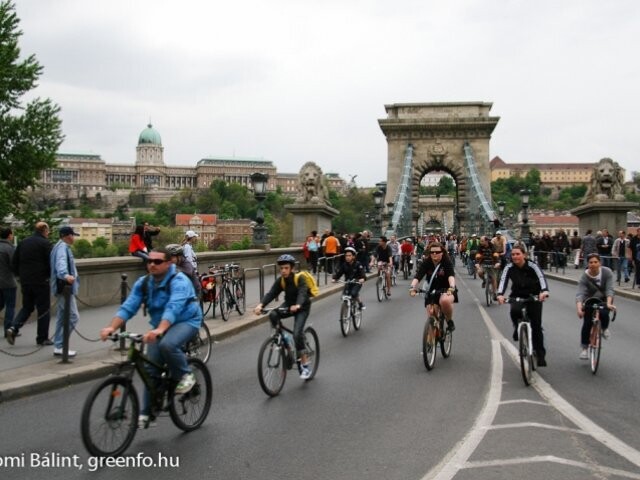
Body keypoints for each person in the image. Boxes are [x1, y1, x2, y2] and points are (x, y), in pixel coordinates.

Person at [100, 248, 201, 428]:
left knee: (168, 345)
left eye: (157, 262)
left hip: (186, 320)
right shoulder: (144, 282)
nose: (152, 264)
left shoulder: (179, 280)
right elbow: (129, 306)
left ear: (169, 263)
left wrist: (160, 330)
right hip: (160, 325)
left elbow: (174, 307)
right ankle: (147, 413)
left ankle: (187, 377)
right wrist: (111, 327)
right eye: (149, 261)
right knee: (150, 371)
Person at [254, 254, 313, 380]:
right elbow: (271, 293)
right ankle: (282, 337)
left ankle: (305, 366)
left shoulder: (300, 278)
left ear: (292, 268)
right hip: (289, 305)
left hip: (302, 307)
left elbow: (302, 293)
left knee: (297, 334)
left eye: (286, 268)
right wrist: (260, 305)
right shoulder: (281, 280)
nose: (283, 271)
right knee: (274, 314)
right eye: (281, 268)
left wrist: (298, 304)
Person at [497, 246, 550, 366]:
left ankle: (540, 355)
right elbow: (503, 280)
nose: (515, 256)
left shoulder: (532, 266)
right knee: (514, 311)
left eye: (518, 254)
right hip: (518, 295)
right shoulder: (509, 267)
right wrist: (500, 294)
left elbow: (541, 278)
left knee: (536, 326)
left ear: (524, 255)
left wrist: (544, 291)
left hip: (534, 295)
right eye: (513, 254)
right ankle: (517, 327)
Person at [6, 222, 53, 346]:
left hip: (26, 281)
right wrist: (49, 276)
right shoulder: (45, 244)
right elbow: (51, 263)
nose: (48, 233)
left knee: (27, 307)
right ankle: (42, 338)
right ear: (44, 230)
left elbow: (14, 262)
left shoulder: (23, 242)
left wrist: (20, 276)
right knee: (43, 309)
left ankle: (13, 328)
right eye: (48, 231)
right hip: (41, 281)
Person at [575, 253, 615, 360]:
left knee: (604, 312)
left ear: (600, 263)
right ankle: (584, 349)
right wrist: (579, 308)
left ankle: (604, 328)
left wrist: (609, 303)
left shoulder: (607, 272)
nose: (593, 264)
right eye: (591, 262)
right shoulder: (585, 276)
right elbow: (580, 293)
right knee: (587, 322)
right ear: (588, 264)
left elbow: (609, 289)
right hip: (590, 299)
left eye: (595, 262)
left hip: (604, 298)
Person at [410, 241, 457, 331]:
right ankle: (431, 340)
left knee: (444, 301)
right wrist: (412, 287)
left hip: (446, 288)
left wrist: (452, 287)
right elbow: (418, 276)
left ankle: (449, 321)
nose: (434, 254)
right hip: (431, 288)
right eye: (432, 252)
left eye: (437, 252)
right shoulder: (427, 262)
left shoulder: (446, 261)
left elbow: (451, 276)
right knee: (431, 313)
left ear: (442, 253)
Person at [51, 226, 81, 357]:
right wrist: (66, 275)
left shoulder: (58, 246)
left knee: (61, 318)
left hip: (60, 287)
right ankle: (61, 345)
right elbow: (61, 263)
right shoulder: (62, 247)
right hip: (64, 288)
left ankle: (58, 346)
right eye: (72, 235)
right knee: (73, 317)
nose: (73, 238)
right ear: (67, 236)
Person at [0, 227, 17, 337]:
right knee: (10, 306)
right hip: (8, 282)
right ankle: (8, 329)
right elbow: (14, 265)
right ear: (9, 235)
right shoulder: (9, 248)